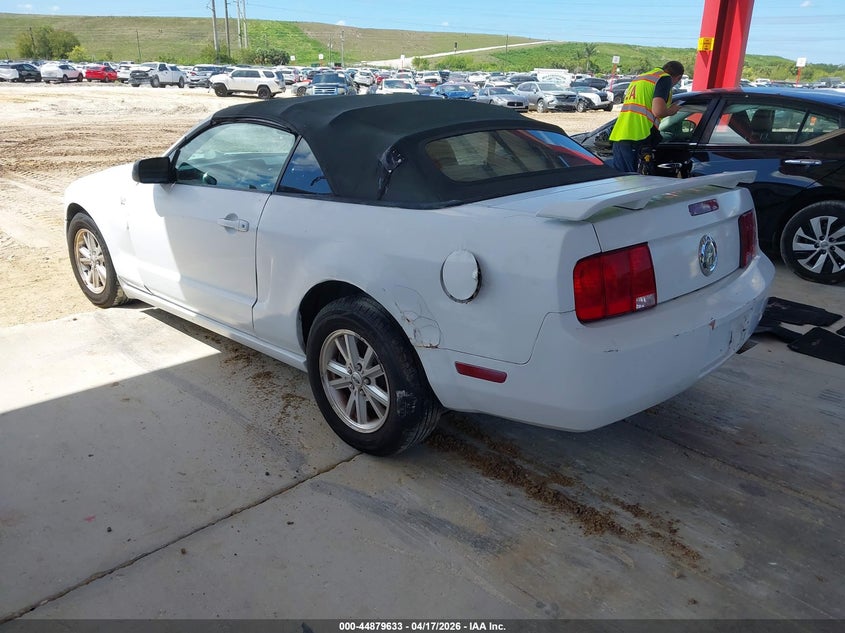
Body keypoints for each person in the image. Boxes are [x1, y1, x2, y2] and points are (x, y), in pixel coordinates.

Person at [609, 61, 685, 173]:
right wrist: (670, 111)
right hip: (638, 136)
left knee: (622, 183)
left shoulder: (641, 78)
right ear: (678, 77)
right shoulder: (664, 79)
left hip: (620, 135)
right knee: (632, 185)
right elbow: (658, 111)